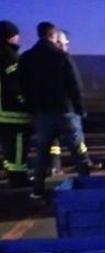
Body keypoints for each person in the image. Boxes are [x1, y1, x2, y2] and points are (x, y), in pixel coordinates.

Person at [19, 21, 92, 199]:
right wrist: (80, 110)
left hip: (42, 114)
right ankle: (88, 184)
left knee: (42, 153)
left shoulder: (26, 58)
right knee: (78, 149)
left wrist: (31, 109)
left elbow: (23, 86)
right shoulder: (61, 56)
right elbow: (75, 85)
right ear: (54, 35)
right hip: (66, 112)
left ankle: (38, 189)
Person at [0, 20, 31, 187]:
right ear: (10, 37)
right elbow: (16, 84)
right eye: (16, 35)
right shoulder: (10, 57)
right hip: (13, 113)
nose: (19, 38)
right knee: (17, 147)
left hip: (3, 113)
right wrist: (26, 103)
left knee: (8, 147)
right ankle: (18, 178)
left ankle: (12, 173)